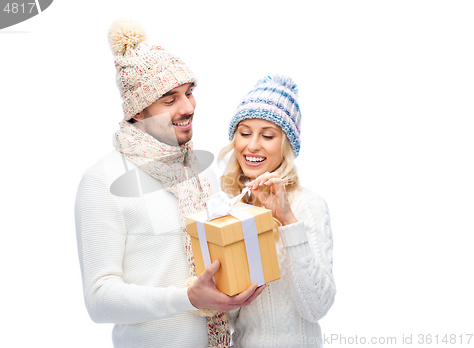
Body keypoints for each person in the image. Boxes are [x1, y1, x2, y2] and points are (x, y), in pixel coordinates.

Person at [74, 19, 263, 348]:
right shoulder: (102, 180)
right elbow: (99, 300)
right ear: (138, 111)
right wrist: (188, 298)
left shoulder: (201, 172)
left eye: (189, 93)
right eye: (169, 99)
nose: (188, 107)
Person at [218, 75, 336, 347]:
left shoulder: (307, 205)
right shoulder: (230, 206)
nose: (253, 145)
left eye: (268, 135)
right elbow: (229, 315)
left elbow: (317, 308)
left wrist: (287, 220)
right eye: (244, 133)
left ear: (286, 146)